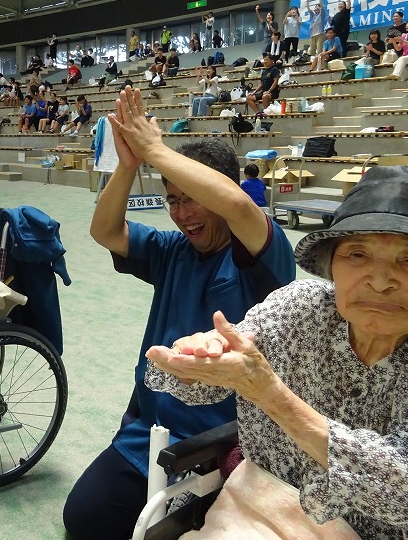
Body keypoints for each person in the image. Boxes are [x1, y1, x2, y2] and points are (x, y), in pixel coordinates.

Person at [145, 165, 408, 540]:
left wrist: (271, 395)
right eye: (358, 255)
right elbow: (206, 380)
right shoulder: (295, 308)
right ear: (331, 264)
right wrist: (197, 360)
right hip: (250, 513)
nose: (379, 282)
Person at [63, 86, 295, 540]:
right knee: (86, 519)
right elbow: (105, 229)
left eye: (191, 196)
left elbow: (240, 206)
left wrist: (156, 149)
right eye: (173, 199)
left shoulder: (262, 255)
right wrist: (130, 165)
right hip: (150, 434)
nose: (181, 212)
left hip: (228, 442)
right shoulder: (173, 249)